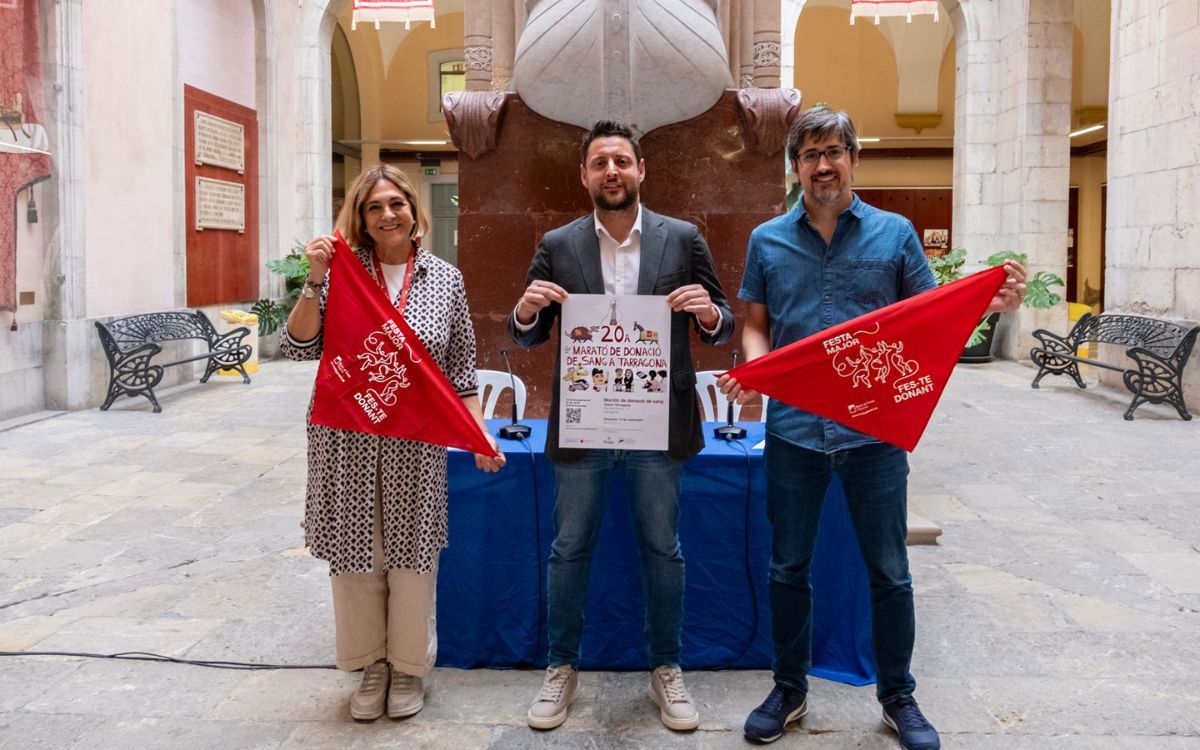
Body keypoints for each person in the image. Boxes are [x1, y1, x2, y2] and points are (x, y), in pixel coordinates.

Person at [718, 107, 1026, 750]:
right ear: (794, 166)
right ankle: (789, 688)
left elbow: (928, 318)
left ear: (854, 160)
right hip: (795, 432)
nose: (823, 166)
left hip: (873, 436)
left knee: (889, 570)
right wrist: (758, 370)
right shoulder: (768, 239)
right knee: (787, 567)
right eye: (809, 155)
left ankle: (898, 696)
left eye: (834, 152)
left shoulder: (895, 234)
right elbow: (754, 323)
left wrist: (982, 299)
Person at [508, 120, 734, 732]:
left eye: (622, 161)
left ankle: (666, 667)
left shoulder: (682, 238)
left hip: (657, 426)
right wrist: (525, 311)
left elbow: (725, 322)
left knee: (663, 550)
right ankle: (561, 668)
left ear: (641, 171)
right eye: (600, 162)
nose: (612, 171)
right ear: (584, 175)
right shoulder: (558, 243)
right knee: (568, 548)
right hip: (584, 424)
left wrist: (710, 313)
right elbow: (526, 328)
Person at [282, 164, 505, 722]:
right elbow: (298, 346)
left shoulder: (444, 279)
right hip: (346, 438)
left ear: (414, 211)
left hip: (415, 441)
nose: (387, 214)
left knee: (412, 554)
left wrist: (478, 434)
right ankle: (369, 664)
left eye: (396, 203)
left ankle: (406, 666)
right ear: (361, 217)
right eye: (374, 206)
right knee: (357, 553)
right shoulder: (341, 275)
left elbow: (460, 374)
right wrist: (313, 278)